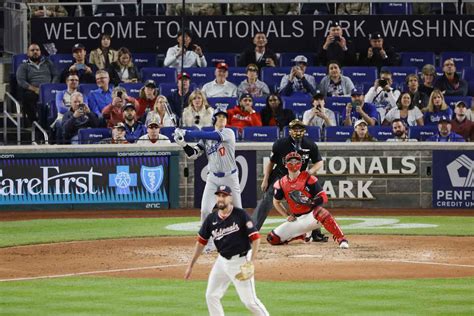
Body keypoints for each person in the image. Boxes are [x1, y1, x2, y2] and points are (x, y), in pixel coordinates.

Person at [184, 185, 269, 316]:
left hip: (240, 261)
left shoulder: (240, 214)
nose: (221, 199)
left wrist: (251, 262)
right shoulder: (211, 219)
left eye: (224, 196)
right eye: (219, 196)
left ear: (230, 198)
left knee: (250, 302)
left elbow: (256, 238)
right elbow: (201, 242)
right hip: (222, 262)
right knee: (211, 295)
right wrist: (190, 265)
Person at [252, 119, 327, 242]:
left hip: (300, 177)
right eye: (295, 129)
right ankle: (253, 230)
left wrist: (309, 172)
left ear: (304, 130)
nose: (297, 131)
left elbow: (319, 162)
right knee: (267, 199)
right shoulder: (280, 144)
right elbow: (271, 163)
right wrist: (265, 179)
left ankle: (315, 232)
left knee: (310, 200)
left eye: (300, 129)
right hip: (280, 175)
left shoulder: (310, 144)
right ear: (290, 130)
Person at [174, 108, 242, 231]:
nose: (222, 118)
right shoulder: (205, 139)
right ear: (213, 119)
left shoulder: (228, 133)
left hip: (230, 177)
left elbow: (212, 135)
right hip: (213, 178)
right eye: (219, 116)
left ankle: (243, 239)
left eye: (224, 117)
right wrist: (183, 144)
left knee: (238, 210)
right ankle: (207, 242)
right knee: (205, 210)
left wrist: (187, 132)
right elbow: (194, 154)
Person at [268, 152, 349, 249]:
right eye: (290, 161)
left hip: (312, 216)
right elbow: (276, 202)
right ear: (285, 164)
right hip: (297, 219)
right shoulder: (280, 183)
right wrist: (286, 215)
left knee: (322, 212)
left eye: (296, 161)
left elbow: (323, 197)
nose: (293, 163)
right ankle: (302, 235)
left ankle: (341, 239)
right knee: (272, 239)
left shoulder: (308, 178)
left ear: (301, 163)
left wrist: (310, 202)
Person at [16, 43, 58, 125]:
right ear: (28, 53)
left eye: (37, 50)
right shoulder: (23, 66)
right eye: (32, 50)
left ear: (40, 52)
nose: (35, 52)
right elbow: (21, 81)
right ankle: (35, 122)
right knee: (26, 97)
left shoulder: (48, 63)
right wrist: (35, 89)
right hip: (34, 91)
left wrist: (51, 87)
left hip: (49, 89)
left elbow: (56, 74)